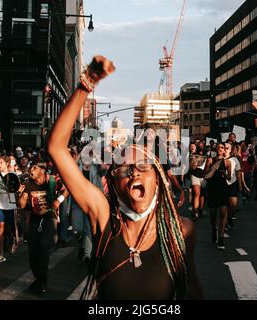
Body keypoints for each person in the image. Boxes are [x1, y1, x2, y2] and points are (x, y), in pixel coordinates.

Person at [47, 56, 203, 300]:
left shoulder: (181, 230)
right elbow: (57, 148)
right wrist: (85, 85)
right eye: (123, 168)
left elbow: (191, 288)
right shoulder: (103, 216)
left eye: (143, 165)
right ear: (113, 185)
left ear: (158, 179)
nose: (133, 172)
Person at [17, 160, 66, 295]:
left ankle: (42, 282)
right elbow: (21, 205)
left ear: (42, 170)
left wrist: (58, 201)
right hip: (34, 219)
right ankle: (38, 279)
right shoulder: (28, 183)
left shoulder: (52, 181)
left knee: (44, 248)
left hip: (49, 218)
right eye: (30, 167)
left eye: (34, 167)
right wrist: (19, 192)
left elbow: (66, 190)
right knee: (33, 253)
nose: (30, 170)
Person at [204, 143, 230, 249]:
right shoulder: (211, 160)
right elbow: (205, 174)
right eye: (218, 147)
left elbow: (229, 177)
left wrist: (225, 174)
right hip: (213, 188)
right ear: (216, 149)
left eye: (222, 148)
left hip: (223, 188)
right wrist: (213, 169)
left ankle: (221, 238)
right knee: (213, 214)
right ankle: (214, 229)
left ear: (224, 151)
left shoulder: (227, 162)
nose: (220, 149)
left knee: (223, 214)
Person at [0, 156, 18, 263]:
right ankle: (0, 252)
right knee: (0, 227)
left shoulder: (14, 175)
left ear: (7, 164)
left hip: (10, 205)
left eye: (1, 163)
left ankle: (11, 239)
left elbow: (19, 188)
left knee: (9, 228)